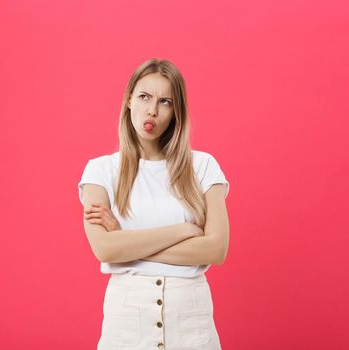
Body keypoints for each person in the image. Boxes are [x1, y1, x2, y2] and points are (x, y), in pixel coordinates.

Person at [78, 58, 230, 350]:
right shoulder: (100, 171)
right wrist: (184, 230)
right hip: (126, 324)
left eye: (165, 102)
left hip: (192, 323)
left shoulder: (203, 166)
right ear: (128, 100)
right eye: (144, 97)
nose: (152, 110)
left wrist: (126, 242)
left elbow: (216, 249)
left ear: (176, 112)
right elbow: (105, 249)